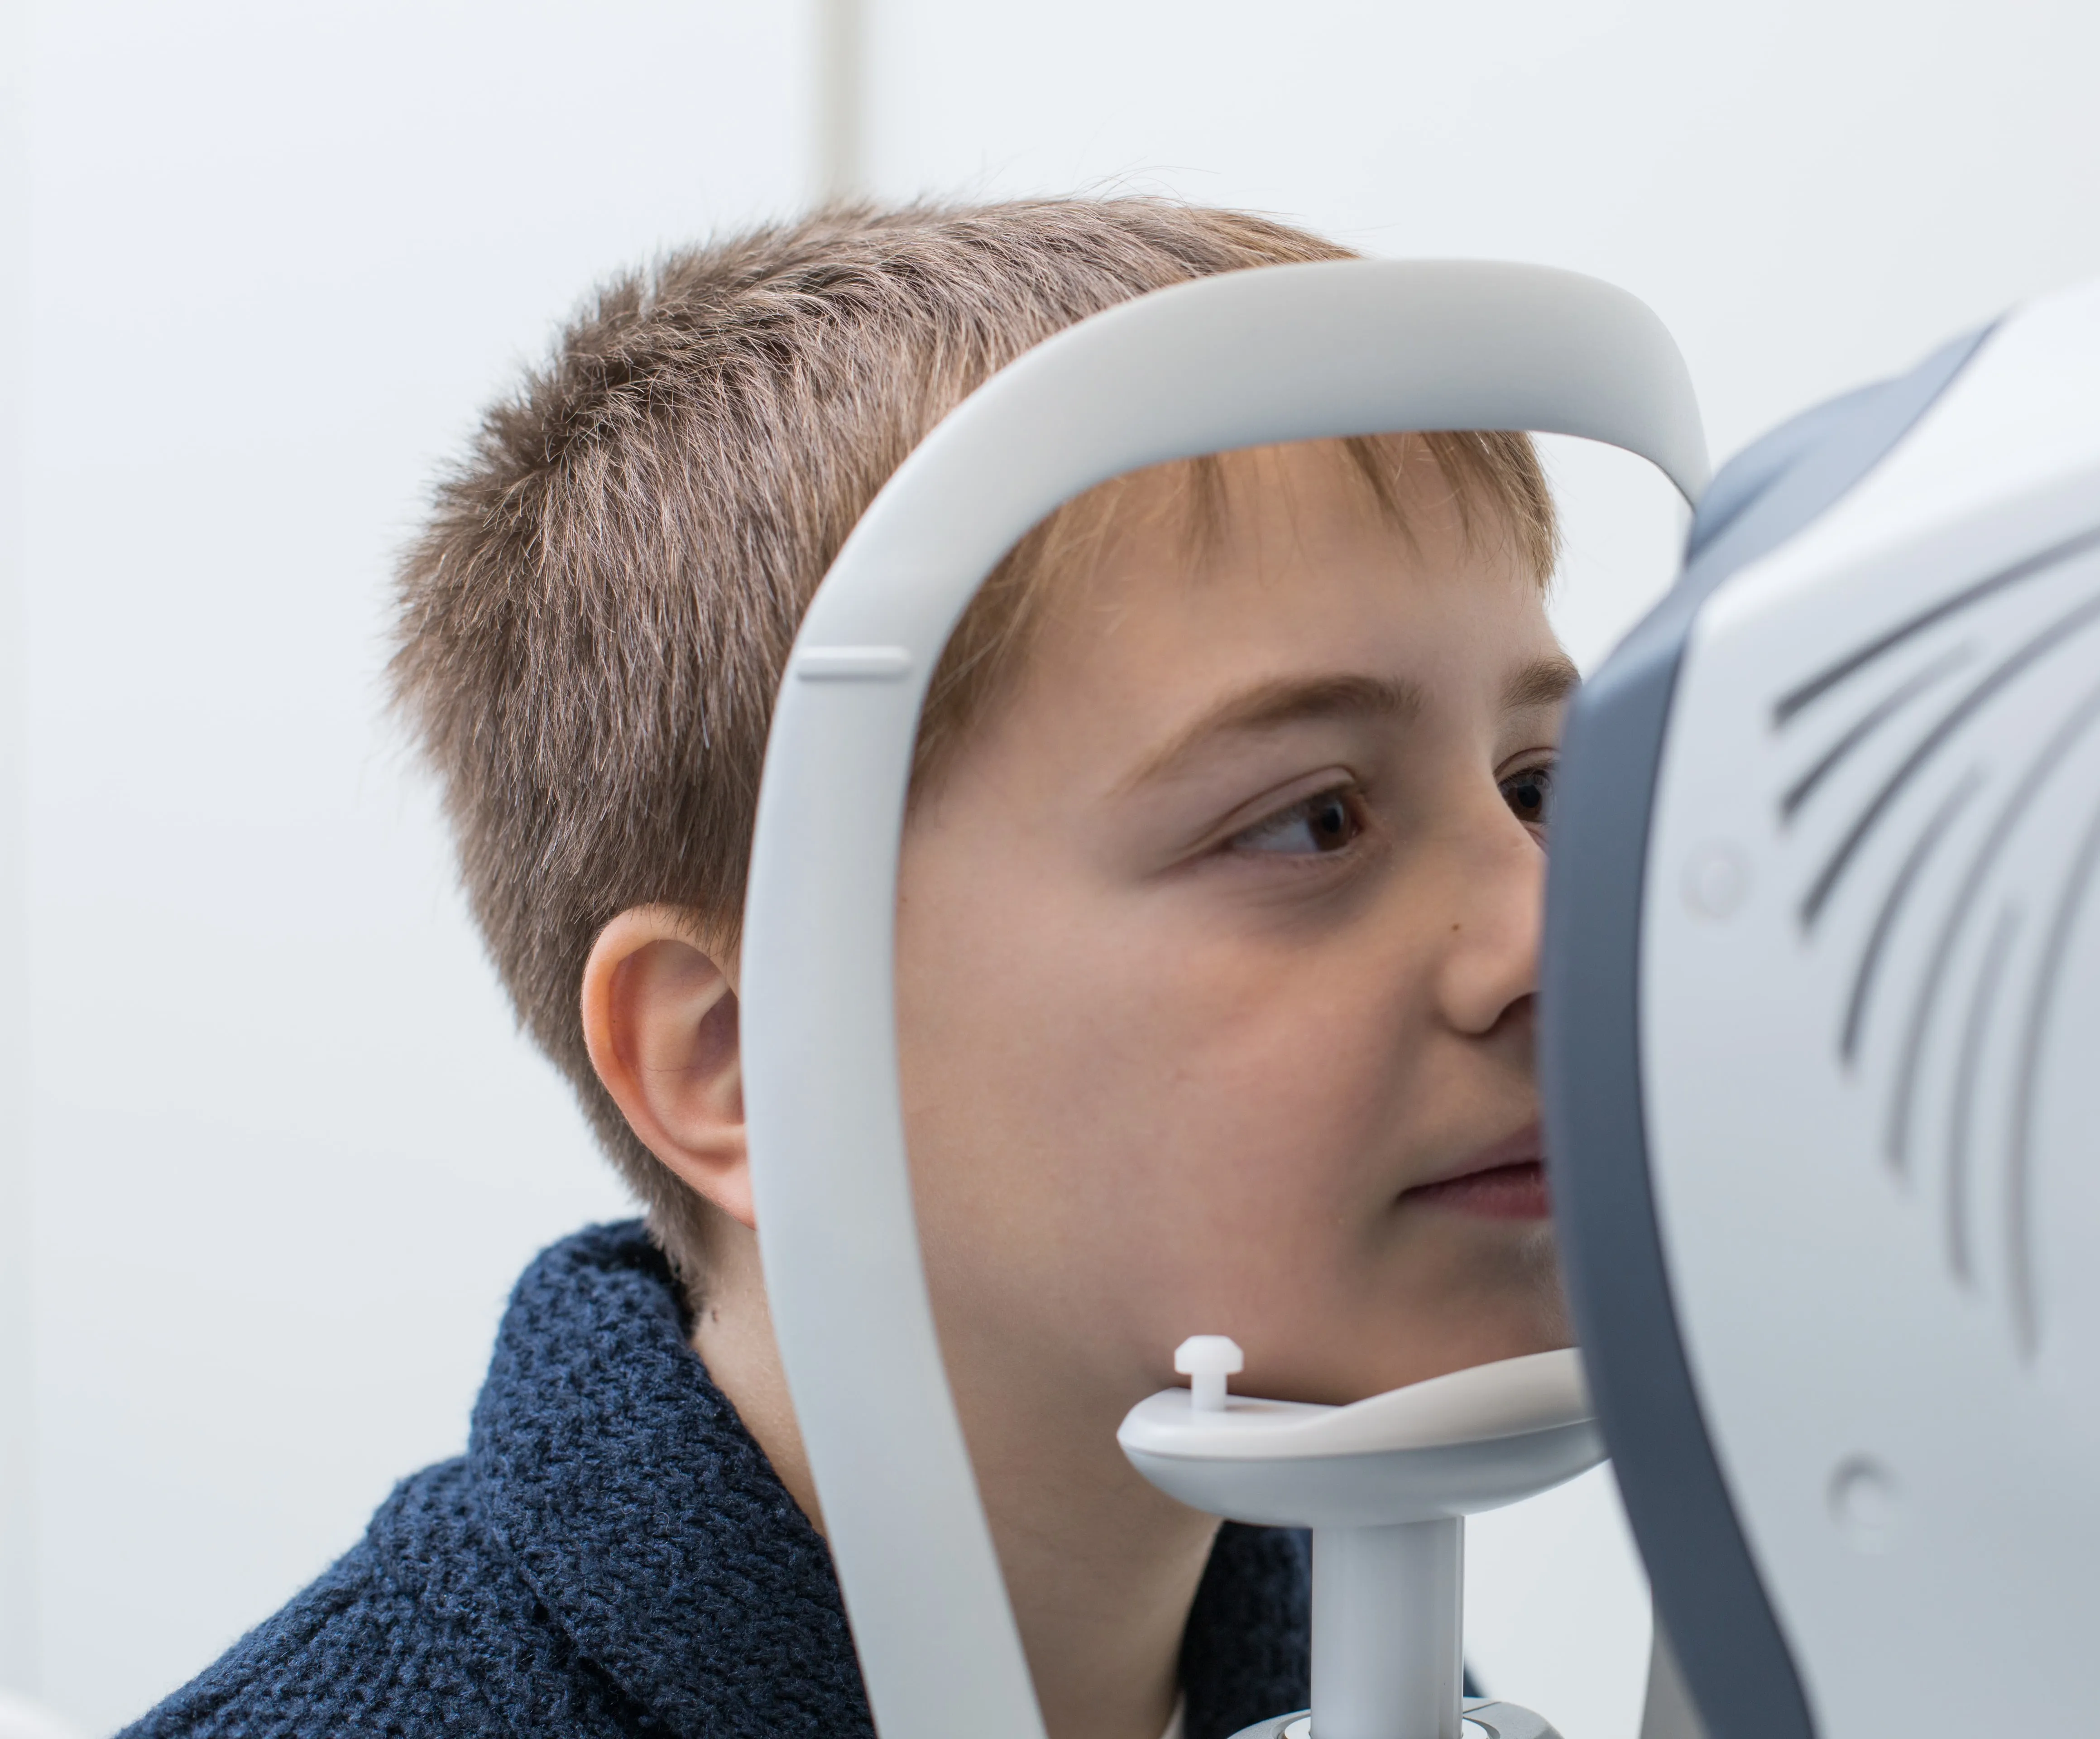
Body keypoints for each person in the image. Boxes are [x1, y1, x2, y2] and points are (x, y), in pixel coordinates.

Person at [128, 199, 1572, 1739]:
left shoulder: (1371, 1684)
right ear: (743, 1056)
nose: (1548, 936)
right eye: (1312, 821)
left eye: (1540, 788)